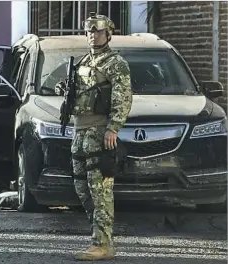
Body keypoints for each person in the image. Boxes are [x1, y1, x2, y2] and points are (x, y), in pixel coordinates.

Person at [55, 13, 133, 261]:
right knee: (82, 187)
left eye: (97, 31)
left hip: (99, 133)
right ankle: (99, 235)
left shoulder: (115, 63)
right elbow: (76, 90)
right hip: (80, 133)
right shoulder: (82, 62)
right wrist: (64, 87)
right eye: (89, 31)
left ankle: (103, 244)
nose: (92, 35)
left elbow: (123, 97)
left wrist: (113, 128)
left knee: (100, 190)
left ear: (108, 33)